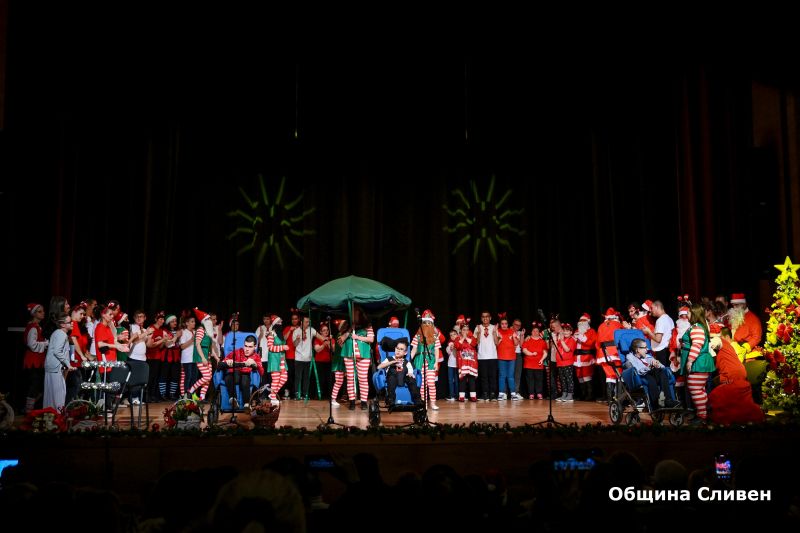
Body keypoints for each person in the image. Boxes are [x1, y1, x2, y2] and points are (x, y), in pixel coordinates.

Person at [707, 328, 765, 424]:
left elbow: (714, 342)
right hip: (738, 372)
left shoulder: (721, 342)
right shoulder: (729, 347)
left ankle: (729, 418)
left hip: (731, 374)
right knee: (740, 399)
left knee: (722, 396)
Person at [679, 304, 716, 424]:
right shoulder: (696, 327)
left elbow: (696, 345)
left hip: (698, 363)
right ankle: (703, 413)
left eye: (689, 312)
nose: (687, 314)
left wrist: (690, 361)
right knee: (699, 390)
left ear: (694, 314)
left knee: (695, 389)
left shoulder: (697, 328)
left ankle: (702, 416)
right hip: (698, 362)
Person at [622, 338, 680, 410]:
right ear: (637, 350)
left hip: (654, 373)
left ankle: (668, 400)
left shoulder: (647, 356)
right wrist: (648, 367)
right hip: (642, 376)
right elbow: (637, 370)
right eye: (644, 347)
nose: (647, 349)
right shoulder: (630, 357)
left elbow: (662, 367)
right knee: (650, 378)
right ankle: (657, 403)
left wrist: (657, 364)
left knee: (663, 372)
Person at [219, 335, 263, 410]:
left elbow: (261, 372)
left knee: (245, 377)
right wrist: (227, 361)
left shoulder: (256, 357)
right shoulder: (237, 352)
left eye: (250, 347)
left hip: (245, 378)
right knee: (228, 377)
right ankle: (233, 400)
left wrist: (255, 364)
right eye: (245, 346)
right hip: (233, 376)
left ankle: (246, 404)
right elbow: (223, 362)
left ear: (255, 347)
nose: (247, 349)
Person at [409, 309, 441, 410]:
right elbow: (414, 350)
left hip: (430, 361)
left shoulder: (435, 336)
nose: (427, 324)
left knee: (431, 383)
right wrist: (408, 360)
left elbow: (436, 350)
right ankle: (423, 403)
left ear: (432, 324)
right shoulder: (417, 336)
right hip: (419, 360)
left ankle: (433, 403)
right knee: (421, 384)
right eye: (425, 322)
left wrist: (436, 362)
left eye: (429, 323)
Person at [43, 312, 75, 410]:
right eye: (69, 322)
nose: (72, 323)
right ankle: (57, 414)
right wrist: (68, 364)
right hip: (55, 367)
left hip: (52, 367)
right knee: (58, 394)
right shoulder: (61, 334)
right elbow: (57, 351)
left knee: (51, 394)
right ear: (62, 325)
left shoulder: (58, 333)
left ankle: (50, 414)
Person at [377, 340, 421, 410]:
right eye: (397, 348)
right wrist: (392, 362)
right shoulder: (389, 359)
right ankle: (391, 400)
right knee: (392, 377)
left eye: (401, 349)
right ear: (395, 349)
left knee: (411, 379)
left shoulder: (407, 362)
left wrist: (410, 374)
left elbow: (410, 371)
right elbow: (379, 367)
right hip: (392, 378)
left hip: (403, 378)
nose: (398, 350)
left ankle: (417, 400)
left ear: (405, 352)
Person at [23, 303, 48, 413]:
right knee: (34, 385)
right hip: (33, 360)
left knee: (38, 385)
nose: (43, 313)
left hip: (38, 360)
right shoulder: (33, 328)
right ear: (34, 314)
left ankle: (31, 408)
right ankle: (28, 410)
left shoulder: (38, 327)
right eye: (39, 311)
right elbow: (31, 344)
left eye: (43, 311)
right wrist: (46, 343)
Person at [596, 308, 623, 403]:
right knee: (619, 374)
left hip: (603, 353)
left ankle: (610, 399)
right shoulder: (618, 325)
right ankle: (619, 399)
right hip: (615, 352)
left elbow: (597, 343)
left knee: (609, 376)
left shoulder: (601, 326)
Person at [473, 310, 500, 401]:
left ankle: (492, 394)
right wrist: (479, 333)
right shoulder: (478, 327)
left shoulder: (494, 327)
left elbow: (497, 343)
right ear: (481, 318)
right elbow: (476, 343)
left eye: (487, 316)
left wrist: (494, 333)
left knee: (492, 376)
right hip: (482, 356)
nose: (485, 318)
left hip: (492, 356)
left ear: (490, 318)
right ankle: (485, 394)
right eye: (483, 317)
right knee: (483, 377)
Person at [641, 300, 675, 368]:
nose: (650, 311)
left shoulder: (660, 320)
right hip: (667, 350)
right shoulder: (669, 318)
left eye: (652, 308)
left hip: (661, 352)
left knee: (661, 372)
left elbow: (658, 339)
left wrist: (648, 332)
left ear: (657, 307)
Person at [266, 315, 290, 406]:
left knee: (284, 378)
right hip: (275, 360)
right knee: (275, 379)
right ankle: (273, 397)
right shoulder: (271, 334)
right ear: (275, 323)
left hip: (282, 359)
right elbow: (270, 347)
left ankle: (272, 394)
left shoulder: (280, 334)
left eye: (281, 322)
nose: (281, 323)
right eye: (279, 322)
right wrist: (282, 347)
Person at [573, 313, 597, 401]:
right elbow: (573, 345)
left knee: (587, 375)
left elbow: (592, 343)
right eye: (580, 322)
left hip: (587, 356)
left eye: (583, 322)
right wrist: (574, 339)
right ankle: (583, 394)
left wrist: (582, 337)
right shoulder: (576, 331)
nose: (581, 324)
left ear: (588, 322)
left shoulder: (592, 331)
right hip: (577, 357)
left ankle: (590, 395)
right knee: (579, 376)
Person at [522, 322, 547, 399]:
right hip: (529, 363)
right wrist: (531, 354)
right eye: (534, 331)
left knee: (539, 379)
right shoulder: (527, 340)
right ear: (531, 332)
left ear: (539, 332)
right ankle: (531, 393)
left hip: (539, 364)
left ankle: (539, 393)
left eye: (537, 331)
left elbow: (545, 352)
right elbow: (524, 350)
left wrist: (542, 359)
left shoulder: (542, 341)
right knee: (530, 379)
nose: (535, 332)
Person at [455, 323, 478, 402]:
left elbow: (474, 344)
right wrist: (463, 338)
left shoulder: (472, 338)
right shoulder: (458, 338)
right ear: (461, 331)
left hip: (471, 362)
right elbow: (457, 346)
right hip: (462, 362)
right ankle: (461, 397)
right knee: (463, 379)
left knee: (472, 379)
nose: (465, 331)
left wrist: (466, 338)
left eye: (467, 330)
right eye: (464, 330)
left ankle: (473, 396)